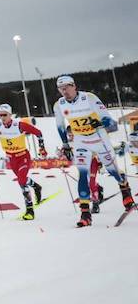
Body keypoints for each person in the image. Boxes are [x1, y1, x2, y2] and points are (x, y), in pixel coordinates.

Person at [53, 75, 134, 227]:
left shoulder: (89, 98)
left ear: (74, 86)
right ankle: (85, 214)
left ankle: (126, 193)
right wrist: (65, 145)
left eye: (67, 87)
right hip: (81, 141)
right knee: (82, 174)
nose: (64, 91)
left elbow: (111, 123)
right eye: (61, 88)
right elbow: (60, 127)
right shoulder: (59, 105)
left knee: (113, 171)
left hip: (99, 139)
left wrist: (100, 122)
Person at [0, 104, 45, 220]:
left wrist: (41, 148)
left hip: (23, 157)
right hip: (11, 159)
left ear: (10, 115)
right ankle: (37, 187)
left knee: (21, 180)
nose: (2, 117)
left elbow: (38, 133)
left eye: (5, 115)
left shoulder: (19, 125)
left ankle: (30, 211)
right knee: (22, 179)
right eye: (0, 115)